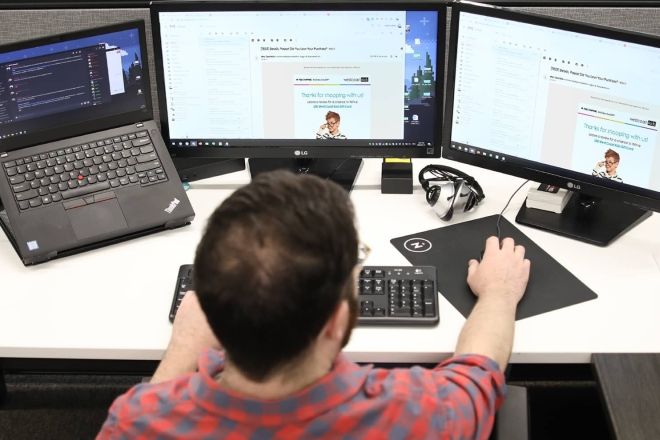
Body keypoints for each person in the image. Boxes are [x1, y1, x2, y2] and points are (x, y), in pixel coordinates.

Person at [98, 171, 530, 439]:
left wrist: (181, 351)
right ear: (337, 320)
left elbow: (143, 416)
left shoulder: (136, 423)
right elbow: (478, 375)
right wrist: (499, 292)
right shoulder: (419, 416)